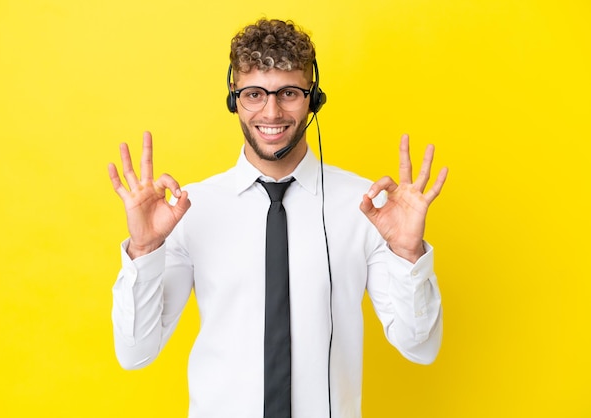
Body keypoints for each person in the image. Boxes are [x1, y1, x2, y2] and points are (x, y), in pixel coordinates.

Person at [108, 18, 448, 418]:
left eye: (288, 92)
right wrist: (145, 250)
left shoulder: (368, 207)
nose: (271, 112)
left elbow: (421, 348)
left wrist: (408, 254)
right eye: (254, 94)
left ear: (314, 97)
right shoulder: (187, 208)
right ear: (234, 98)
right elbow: (135, 353)